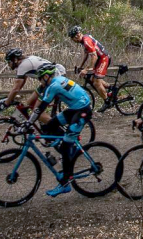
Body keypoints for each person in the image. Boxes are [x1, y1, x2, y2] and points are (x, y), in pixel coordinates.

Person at [21, 62, 93, 197]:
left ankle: (65, 183)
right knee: (50, 125)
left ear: (47, 77)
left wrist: (29, 123)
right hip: (75, 108)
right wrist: (30, 122)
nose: (39, 81)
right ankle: (65, 144)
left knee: (66, 146)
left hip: (82, 111)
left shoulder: (53, 85)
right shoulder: (56, 81)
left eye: (40, 78)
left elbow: (40, 108)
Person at [0, 48, 66, 125]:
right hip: (50, 81)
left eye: (9, 61)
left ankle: (55, 128)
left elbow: (16, 89)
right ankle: (42, 122)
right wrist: (9, 99)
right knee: (29, 102)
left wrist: (5, 104)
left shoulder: (23, 66)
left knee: (36, 111)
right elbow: (20, 85)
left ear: (15, 60)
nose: (8, 64)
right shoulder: (27, 61)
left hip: (53, 83)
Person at [68, 25, 112, 113]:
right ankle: (112, 89)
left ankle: (107, 102)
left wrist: (86, 69)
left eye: (72, 38)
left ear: (76, 36)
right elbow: (86, 54)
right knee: (93, 79)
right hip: (100, 58)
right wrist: (81, 66)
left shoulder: (86, 41)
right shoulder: (84, 39)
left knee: (96, 82)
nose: (72, 40)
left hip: (103, 58)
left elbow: (94, 57)